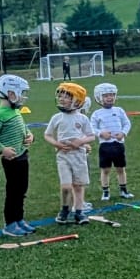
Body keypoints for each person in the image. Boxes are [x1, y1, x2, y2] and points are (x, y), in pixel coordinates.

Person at [0, 75, 38, 237]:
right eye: (21, 93)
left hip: (23, 155)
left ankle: (19, 219)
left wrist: (30, 135)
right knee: (13, 191)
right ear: (10, 93)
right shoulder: (0, 113)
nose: (23, 97)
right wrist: (2, 149)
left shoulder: (14, 110)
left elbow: (23, 127)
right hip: (12, 160)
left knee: (22, 189)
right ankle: (10, 223)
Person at [45, 82, 96, 224]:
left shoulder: (82, 118)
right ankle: (64, 210)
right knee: (66, 186)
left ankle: (79, 212)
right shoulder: (57, 117)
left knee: (78, 186)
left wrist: (80, 142)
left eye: (67, 97)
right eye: (60, 96)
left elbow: (91, 136)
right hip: (63, 156)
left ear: (77, 101)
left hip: (79, 156)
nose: (62, 99)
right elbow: (47, 135)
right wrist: (57, 144)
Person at [91, 82, 134, 201]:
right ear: (99, 97)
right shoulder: (97, 114)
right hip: (105, 146)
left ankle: (123, 190)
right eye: (106, 96)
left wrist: (123, 133)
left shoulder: (119, 110)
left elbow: (127, 123)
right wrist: (101, 133)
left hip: (118, 145)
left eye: (112, 95)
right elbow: (92, 127)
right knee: (105, 170)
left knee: (120, 168)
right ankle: (105, 191)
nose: (109, 98)